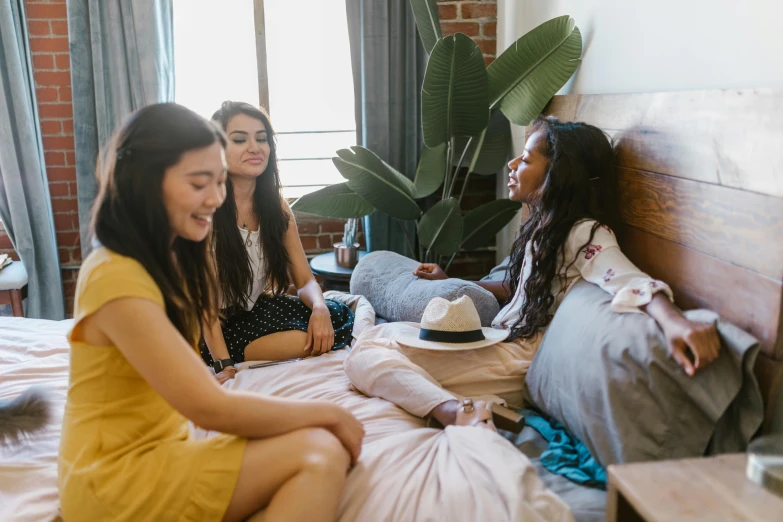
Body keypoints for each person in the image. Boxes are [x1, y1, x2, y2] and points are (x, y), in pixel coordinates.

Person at [58, 103, 364, 522]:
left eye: (219, 182)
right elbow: (211, 407)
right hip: (114, 481)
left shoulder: (171, 252)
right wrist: (330, 413)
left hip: (165, 448)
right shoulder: (114, 274)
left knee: (318, 445)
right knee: (319, 450)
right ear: (147, 182)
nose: (216, 197)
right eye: (200, 183)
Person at [346, 116, 721, 428]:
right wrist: (456, 282)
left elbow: (628, 278)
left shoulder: (584, 232)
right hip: (501, 338)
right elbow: (520, 287)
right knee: (380, 334)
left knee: (363, 357)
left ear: (558, 173)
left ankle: (454, 412)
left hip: (519, 360)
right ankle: (460, 400)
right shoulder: (547, 228)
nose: (512, 165)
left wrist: (676, 323)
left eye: (525, 160)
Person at [199, 101, 355, 383]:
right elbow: (205, 308)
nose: (254, 147)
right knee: (310, 339)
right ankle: (238, 353)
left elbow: (305, 280)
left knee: (337, 315)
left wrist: (319, 309)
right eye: (239, 139)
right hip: (215, 328)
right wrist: (224, 366)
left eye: (261, 138)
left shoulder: (277, 208)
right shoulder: (205, 212)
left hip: (256, 309)